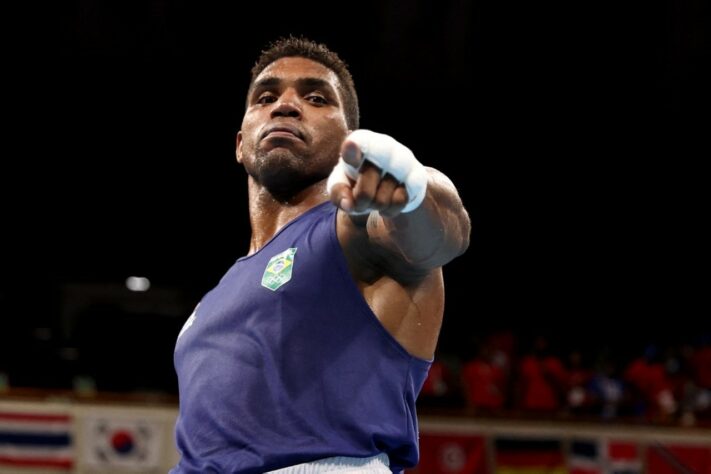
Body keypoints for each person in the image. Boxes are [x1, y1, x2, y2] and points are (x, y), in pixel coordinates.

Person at [171, 36, 470, 474]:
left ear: (349, 138)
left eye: (315, 97)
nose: (285, 106)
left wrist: (412, 189)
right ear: (239, 144)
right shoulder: (206, 307)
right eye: (266, 97)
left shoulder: (355, 230)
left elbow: (444, 235)